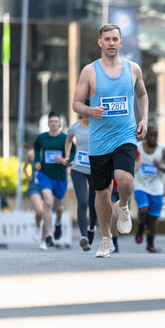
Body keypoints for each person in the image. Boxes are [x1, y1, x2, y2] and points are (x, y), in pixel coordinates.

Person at [72, 24, 149, 258]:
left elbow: (142, 94)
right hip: (99, 140)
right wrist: (90, 109)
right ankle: (106, 239)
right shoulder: (89, 71)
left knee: (124, 179)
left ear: (121, 42)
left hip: (125, 135)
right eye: (107, 39)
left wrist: (144, 119)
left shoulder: (133, 69)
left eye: (115, 39)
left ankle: (124, 205)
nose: (112, 43)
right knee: (102, 192)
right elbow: (76, 103)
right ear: (100, 43)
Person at [33, 111, 75, 250]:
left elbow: (74, 153)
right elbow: (36, 149)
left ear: (60, 123)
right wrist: (38, 162)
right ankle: (48, 235)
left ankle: (57, 222)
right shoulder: (41, 138)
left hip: (60, 176)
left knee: (58, 207)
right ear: (48, 123)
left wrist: (64, 160)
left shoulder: (65, 138)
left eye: (56, 121)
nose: (53, 124)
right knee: (48, 202)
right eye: (51, 121)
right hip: (45, 175)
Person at [134, 125, 165, 252]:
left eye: (154, 135)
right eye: (150, 135)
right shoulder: (138, 147)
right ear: (146, 135)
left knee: (154, 218)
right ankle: (141, 227)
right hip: (140, 185)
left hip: (156, 187)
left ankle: (150, 242)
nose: (152, 137)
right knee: (143, 208)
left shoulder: (162, 150)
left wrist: (159, 167)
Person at [65, 101, 97, 252]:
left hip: (95, 169)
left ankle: (92, 227)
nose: (86, 112)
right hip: (78, 168)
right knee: (83, 202)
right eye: (83, 109)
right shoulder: (75, 126)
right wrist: (67, 156)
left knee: (94, 204)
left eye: (88, 109)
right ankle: (84, 236)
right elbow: (68, 140)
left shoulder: (98, 125)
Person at [23, 146, 44, 241]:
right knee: (39, 210)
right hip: (34, 186)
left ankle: (47, 235)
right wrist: (28, 176)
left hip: (46, 185)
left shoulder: (49, 154)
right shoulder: (31, 154)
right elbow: (24, 168)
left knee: (46, 211)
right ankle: (37, 227)